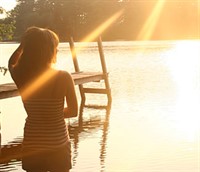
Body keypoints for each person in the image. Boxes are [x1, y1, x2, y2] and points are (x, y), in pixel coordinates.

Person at [8, 26, 78, 172]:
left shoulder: (22, 76)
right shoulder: (64, 77)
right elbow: (73, 112)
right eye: (55, 47)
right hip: (58, 145)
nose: (57, 50)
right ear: (49, 50)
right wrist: (53, 114)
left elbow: (11, 63)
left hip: (32, 146)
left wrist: (24, 44)